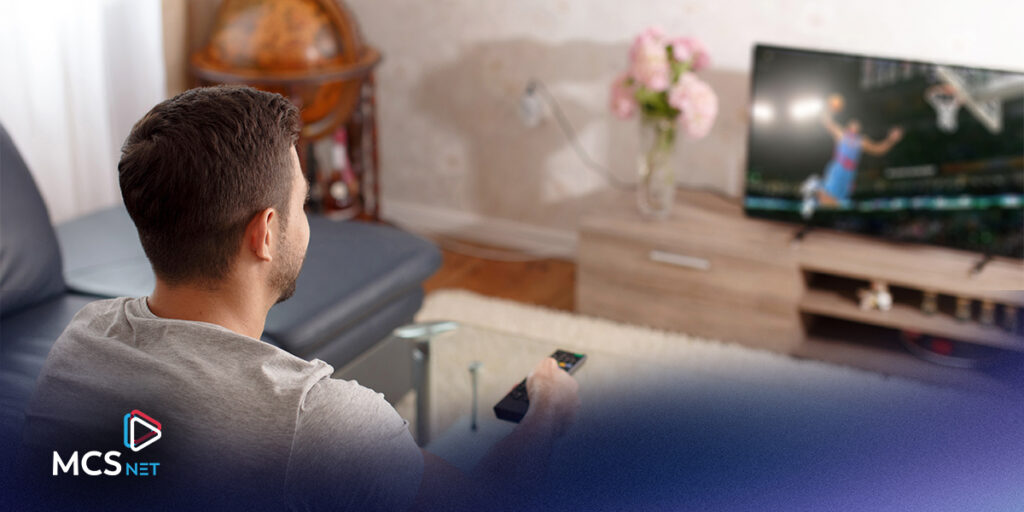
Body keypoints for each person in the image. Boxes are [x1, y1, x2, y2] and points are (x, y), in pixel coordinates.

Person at [20, 86, 580, 512]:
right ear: (265, 233)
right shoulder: (318, 423)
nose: (306, 223)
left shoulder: (82, 341)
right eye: (303, 205)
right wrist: (549, 412)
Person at [800, 95, 904, 218]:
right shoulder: (841, 133)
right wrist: (829, 109)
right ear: (848, 125)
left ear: (860, 128)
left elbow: (878, 150)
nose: (855, 125)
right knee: (827, 197)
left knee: (834, 204)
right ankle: (815, 187)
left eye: (857, 124)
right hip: (838, 167)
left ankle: (814, 194)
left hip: (850, 173)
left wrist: (891, 140)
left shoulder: (862, 141)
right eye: (853, 123)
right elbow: (826, 121)